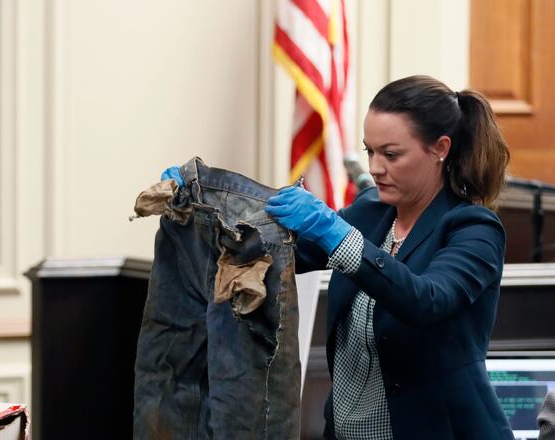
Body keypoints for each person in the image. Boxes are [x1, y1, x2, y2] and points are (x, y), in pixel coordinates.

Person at [162, 74, 512, 438]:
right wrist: (205, 208)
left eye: (391, 154)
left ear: (440, 148)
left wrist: (338, 236)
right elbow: (275, 253)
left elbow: (425, 301)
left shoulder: (474, 228)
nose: (375, 168)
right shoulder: (370, 212)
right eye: (369, 151)